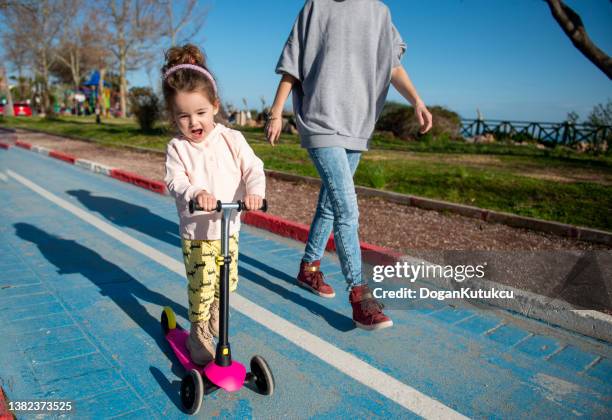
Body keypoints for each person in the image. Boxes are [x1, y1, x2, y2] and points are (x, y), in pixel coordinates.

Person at [267, 0, 432, 330]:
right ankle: (359, 297)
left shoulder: (379, 13)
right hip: (320, 121)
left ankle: (309, 268)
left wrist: (417, 100)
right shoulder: (316, 6)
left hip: (358, 125)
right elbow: (293, 63)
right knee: (347, 211)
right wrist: (276, 111)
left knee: (330, 206)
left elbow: (392, 65)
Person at [162, 44, 266, 364]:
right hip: (198, 234)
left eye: (201, 113)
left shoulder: (232, 139)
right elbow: (174, 180)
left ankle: (214, 322)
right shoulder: (178, 148)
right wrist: (195, 192)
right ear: (173, 116)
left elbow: (253, 168)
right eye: (183, 115)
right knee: (203, 286)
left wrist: (255, 193)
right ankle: (199, 330)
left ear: (215, 106)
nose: (194, 122)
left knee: (227, 282)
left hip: (229, 228)